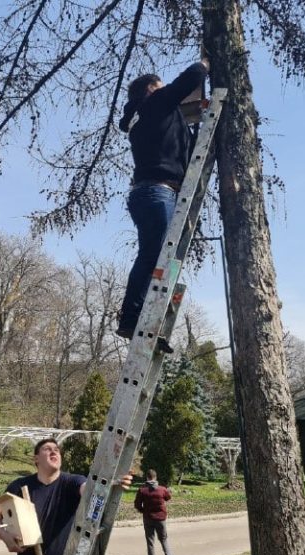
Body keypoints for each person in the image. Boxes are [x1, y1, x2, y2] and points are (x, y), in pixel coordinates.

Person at [116, 58, 210, 346]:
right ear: (150, 89)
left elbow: (177, 142)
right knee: (154, 256)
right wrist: (205, 63)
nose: (164, 89)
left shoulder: (142, 117)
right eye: (159, 86)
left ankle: (147, 326)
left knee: (157, 257)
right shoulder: (153, 104)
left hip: (148, 193)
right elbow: (187, 79)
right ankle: (132, 319)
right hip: (157, 192)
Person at [0, 438, 132, 555]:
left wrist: (112, 483)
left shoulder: (72, 481)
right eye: (47, 449)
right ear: (36, 459)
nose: (54, 451)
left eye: (57, 450)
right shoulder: (20, 485)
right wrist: (5, 536)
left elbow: (90, 491)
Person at [134, 469, 178, 555]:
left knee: (150, 543)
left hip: (148, 518)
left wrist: (143, 511)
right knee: (164, 540)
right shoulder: (162, 489)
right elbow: (168, 497)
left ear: (147, 478)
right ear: (155, 477)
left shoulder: (142, 490)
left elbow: (137, 504)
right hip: (161, 519)